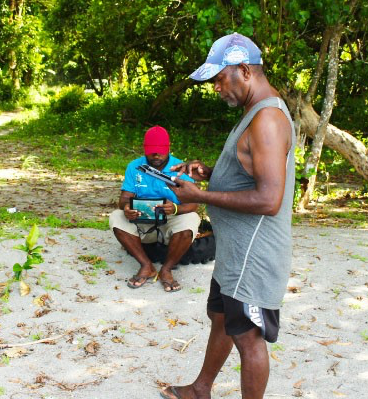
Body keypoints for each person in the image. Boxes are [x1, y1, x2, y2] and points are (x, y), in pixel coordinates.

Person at [160, 33, 296, 398]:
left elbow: (270, 199)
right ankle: (201, 389)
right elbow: (250, 170)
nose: (217, 88)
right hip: (236, 252)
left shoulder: (267, 119)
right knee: (222, 319)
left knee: (248, 337)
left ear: (244, 70)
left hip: (254, 254)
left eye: (220, 78)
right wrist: (210, 173)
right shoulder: (257, 111)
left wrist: (201, 196)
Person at [109, 126, 201, 292]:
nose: (156, 155)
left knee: (192, 218)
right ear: (144, 149)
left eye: (160, 151)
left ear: (168, 148)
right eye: (151, 151)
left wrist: (174, 208)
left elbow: (193, 204)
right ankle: (146, 266)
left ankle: (166, 270)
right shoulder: (135, 167)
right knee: (116, 216)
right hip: (142, 219)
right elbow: (123, 200)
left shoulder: (180, 169)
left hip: (170, 220)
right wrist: (127, 207)